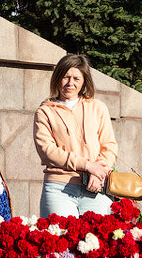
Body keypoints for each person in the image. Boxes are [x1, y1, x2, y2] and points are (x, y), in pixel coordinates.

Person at [33, 54, 118, 217]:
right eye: (65, 77)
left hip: (96, 186)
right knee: (60, 234)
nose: (70, 83)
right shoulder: (45, 111)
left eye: (76, 78)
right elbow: (47, 151)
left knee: (99, 234)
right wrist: (87, 165)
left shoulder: (98, 108)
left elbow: (109, 146)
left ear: (84, 81)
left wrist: (98, 171)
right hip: (59, 189)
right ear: (57, 78)